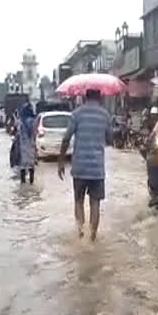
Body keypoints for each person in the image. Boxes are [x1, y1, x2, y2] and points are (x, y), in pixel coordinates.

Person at [58, 89, 112, 241]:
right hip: (97, 169)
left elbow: (66, 138)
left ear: (84, 97)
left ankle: (81, 234)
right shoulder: (105, 115)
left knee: (78, 201)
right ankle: (92, 239)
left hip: (80, 167)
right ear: (99, 97)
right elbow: (110, 139)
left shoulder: (77, 114)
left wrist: (61, 161)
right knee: (95, 204)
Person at [17, 103, 37, 184]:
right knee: (31, 165)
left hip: (22, 147)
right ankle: (31, 183)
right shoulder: (32, 121)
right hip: (31, 145)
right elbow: (35, 133)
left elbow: (17, 133)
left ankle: (23, 183)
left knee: (23, 166)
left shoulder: (20, 122)